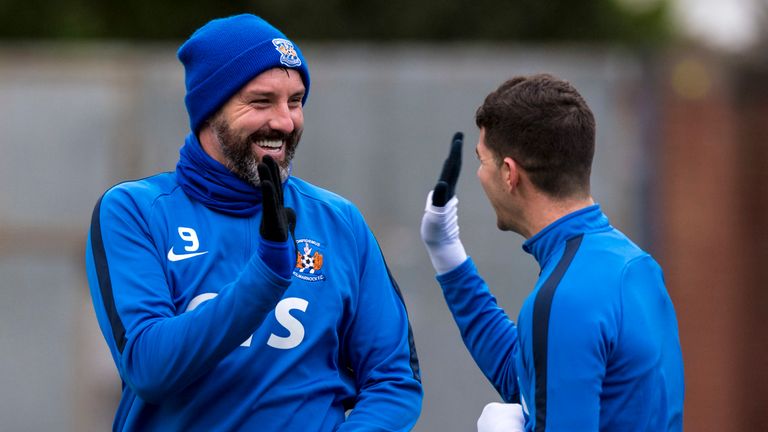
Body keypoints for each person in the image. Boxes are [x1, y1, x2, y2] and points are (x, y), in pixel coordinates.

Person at [85, 14, 422, 431]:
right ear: (210, 110)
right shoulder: (136, 211)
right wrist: (266, 276)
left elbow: (393, 380)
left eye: (295, 101)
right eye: (261, 102)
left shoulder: (340, 222)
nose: (284, 122)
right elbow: (149, 368)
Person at [420, 74, 684, 431]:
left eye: (482, 161)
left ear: (509, 173)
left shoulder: (564, 298)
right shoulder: (636, 266)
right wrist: (448, 254)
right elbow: (535, 381)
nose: (480, 174)